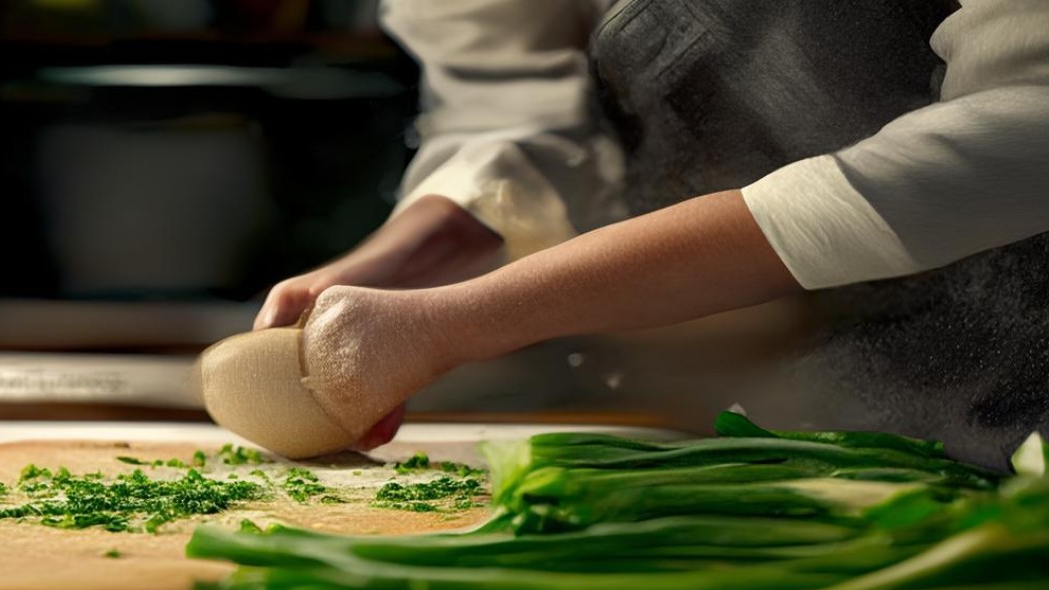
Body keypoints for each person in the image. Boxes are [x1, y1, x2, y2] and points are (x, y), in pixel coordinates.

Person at [254, 0, 1049, 465]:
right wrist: (404, 263)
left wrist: (462, 319)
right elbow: (512, 105)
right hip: (718, 442)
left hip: (1014, 421)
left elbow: (1024, 126)